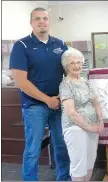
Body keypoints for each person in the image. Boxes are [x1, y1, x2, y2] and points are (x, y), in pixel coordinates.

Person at [9, 7, 71, 181]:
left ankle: (64, 178)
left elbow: (69, 72)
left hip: (59, 104)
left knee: (62, 145)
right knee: (33, 149)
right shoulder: (21, 46)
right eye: (37, 19)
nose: (42, 22)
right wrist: (47, 100)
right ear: (31, 22)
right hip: (34, 106)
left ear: (49, 21)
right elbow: (21, 82)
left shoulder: (60, 44)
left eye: (45, 18)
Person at [59, 47, 104, 181]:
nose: (76, 66)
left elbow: (96, 102)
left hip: (92, 126)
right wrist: (89, 127)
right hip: (75, 128)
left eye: (78, 62)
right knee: (79, 165)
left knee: (90, 162)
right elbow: (71, 112)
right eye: (72, 63)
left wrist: (100, 121)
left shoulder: (86, 82)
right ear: (66, 66)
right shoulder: (65, 85)